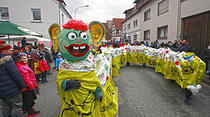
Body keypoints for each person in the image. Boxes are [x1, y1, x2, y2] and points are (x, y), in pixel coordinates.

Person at [0, 40, 26, 117]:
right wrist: (22, 86)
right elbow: (16, 75)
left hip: (2, 90)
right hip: (12, 89)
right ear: (4, 51)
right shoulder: (8, 60)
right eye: (10, 50)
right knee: (17, 106)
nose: (11, 52)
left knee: (6, 107)